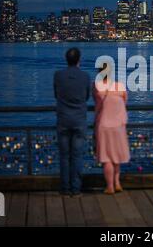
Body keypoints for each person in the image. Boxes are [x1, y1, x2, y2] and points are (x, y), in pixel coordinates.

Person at [54, 48, 90, 197]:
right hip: (79, 120)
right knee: (77, 156)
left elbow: (56, 94)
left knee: (64, 156)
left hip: (63, 119)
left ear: (66, 59)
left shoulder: (58, 75)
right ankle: (76, 190)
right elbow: (87, 96)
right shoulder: (85, 76)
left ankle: (65, 188)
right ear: (79, 60)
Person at [93, 64, 130, 195]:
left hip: (103, 124)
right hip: (119, 125)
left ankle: (110, 187)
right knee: (116, 156)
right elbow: (124, 103)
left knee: (106, 157)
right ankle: (117, 183)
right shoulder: (120, 86)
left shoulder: (96, 86)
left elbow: (96, 103)